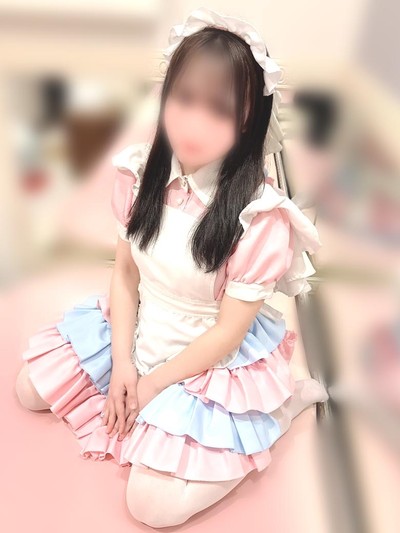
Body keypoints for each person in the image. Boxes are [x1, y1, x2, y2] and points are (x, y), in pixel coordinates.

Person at [15, 7, 328, 528]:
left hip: (206, 358)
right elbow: (125, 275)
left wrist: (154, 385)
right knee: (30, 389)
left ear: (248, 119)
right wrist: (123, 364)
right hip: (141, 327)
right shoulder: (141, 174)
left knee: (150, 506)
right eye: (184, 98)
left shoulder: (259, 216)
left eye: (219, 109)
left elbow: (227, 333)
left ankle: (277, 411)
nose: (193, 124)